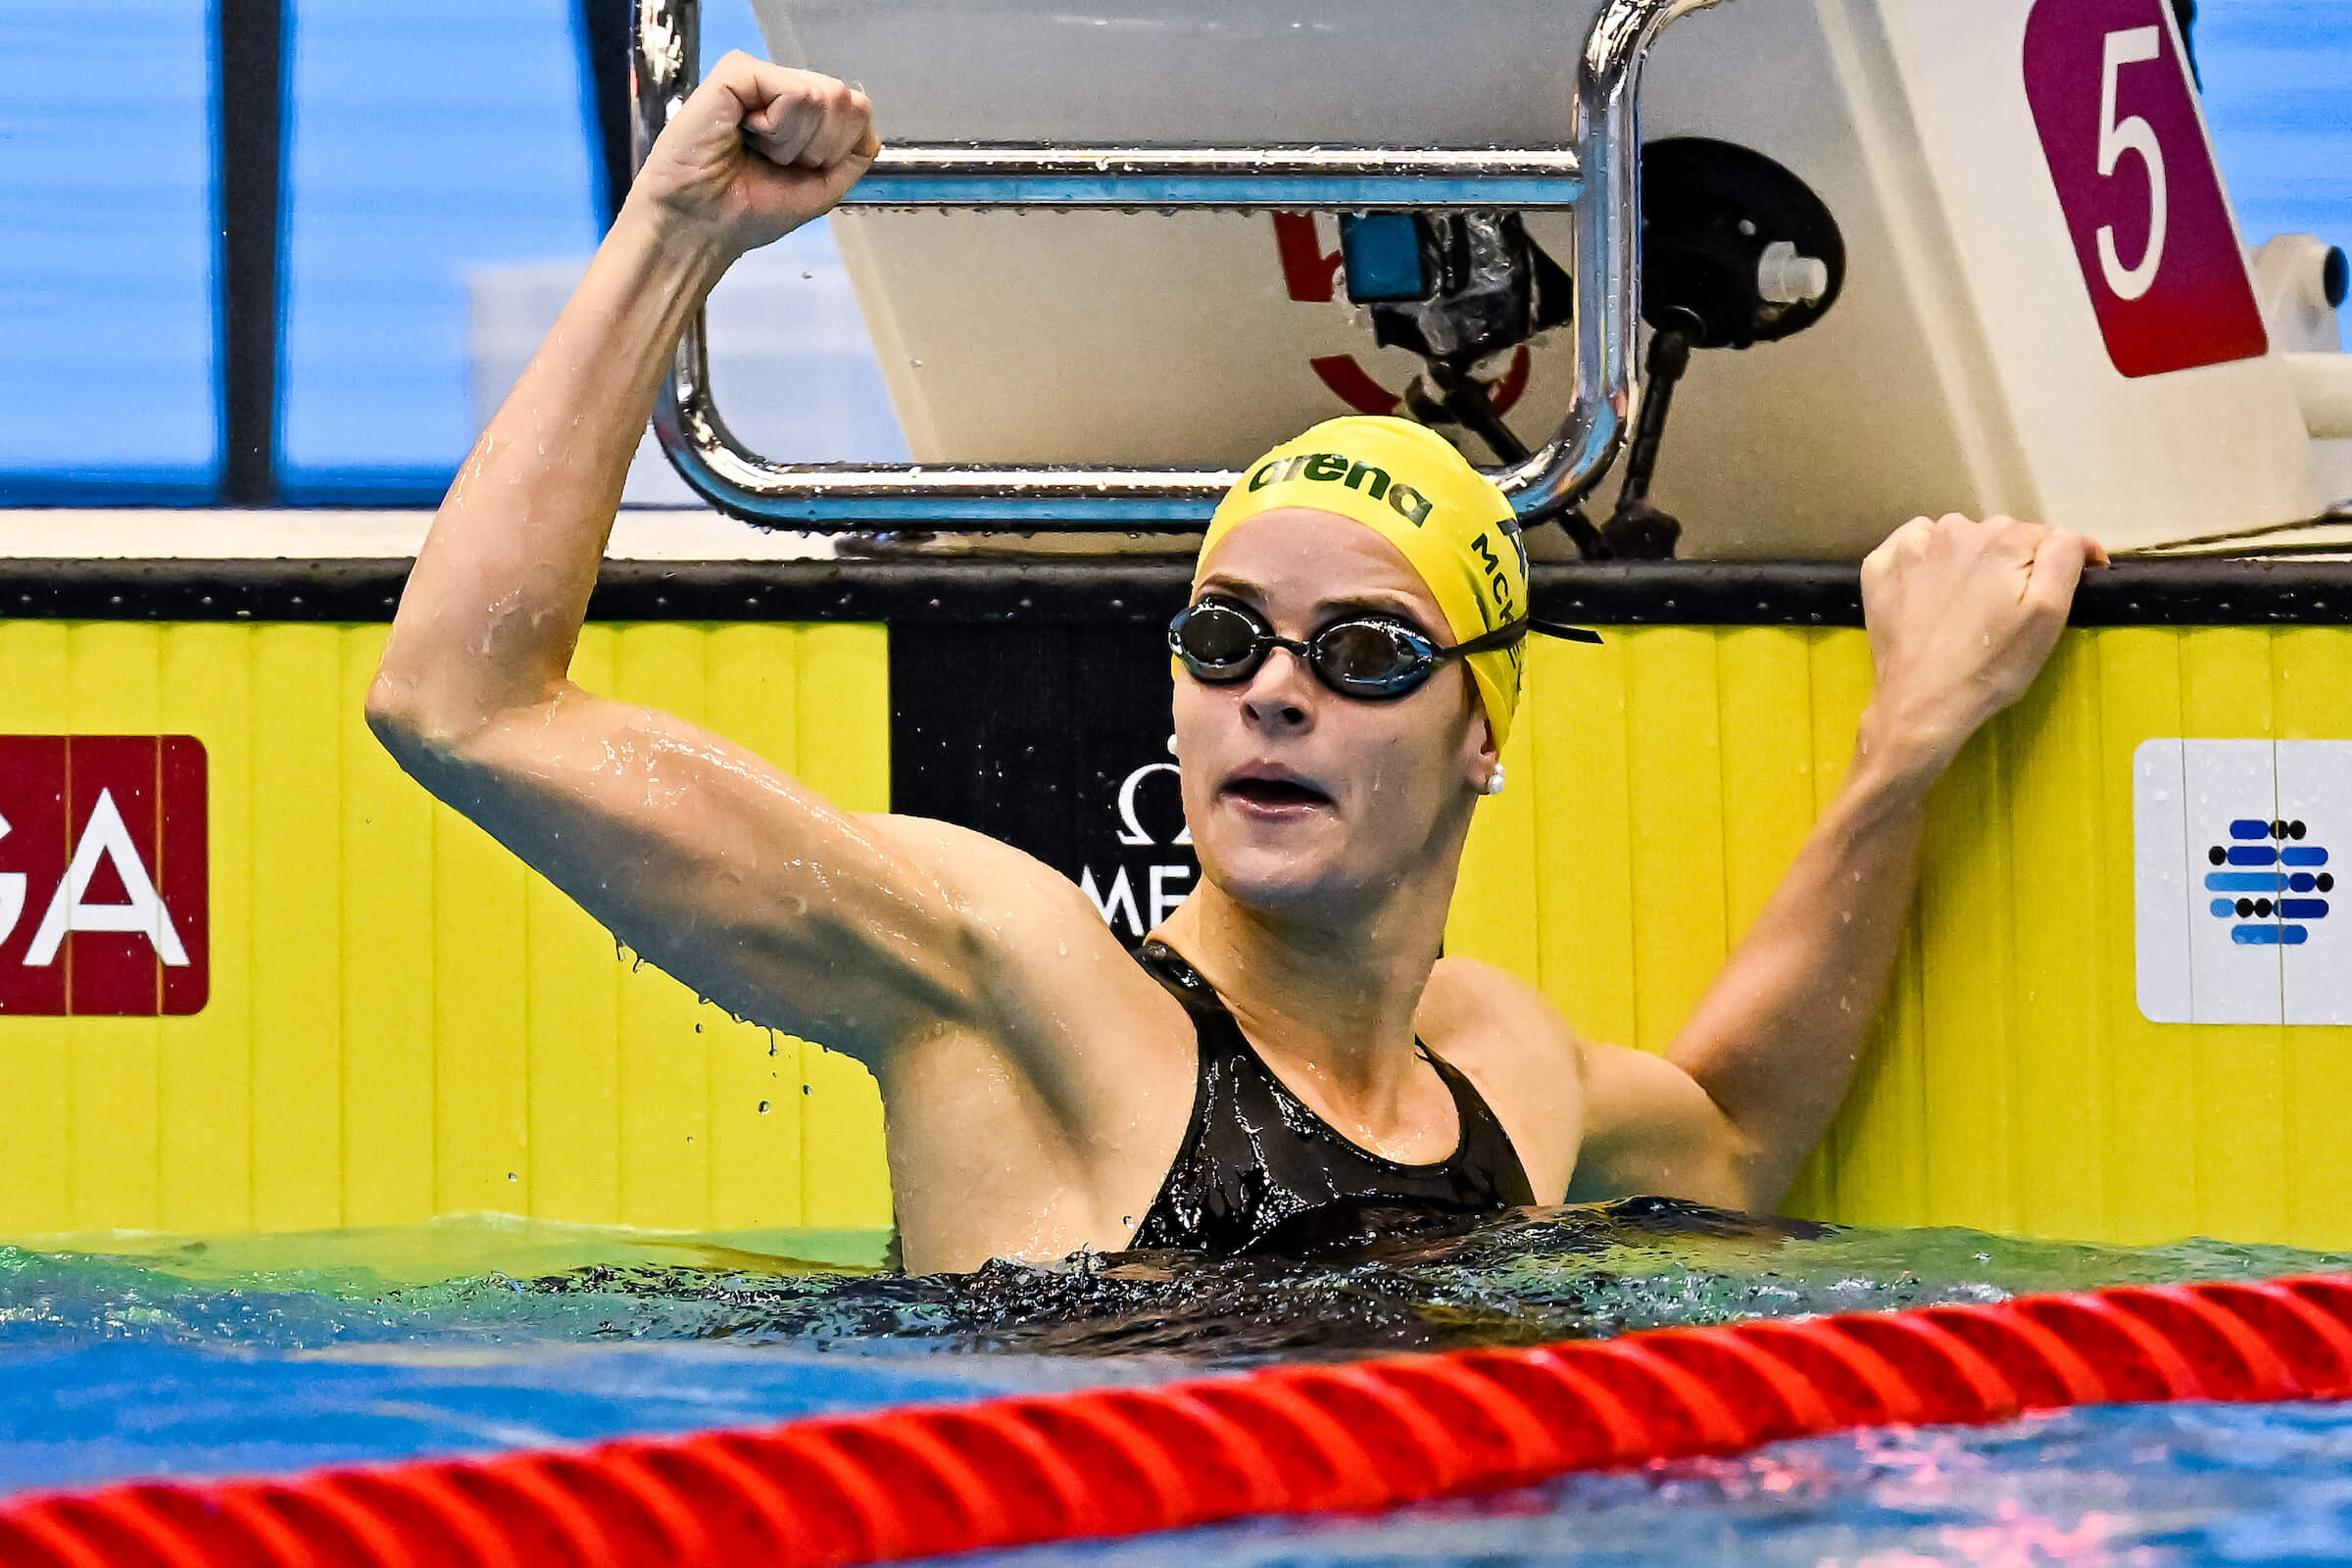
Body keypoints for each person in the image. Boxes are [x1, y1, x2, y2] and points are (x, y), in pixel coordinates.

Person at [368, 54, 2107, 1274]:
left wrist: (1913, 742)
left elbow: (1732, 1137)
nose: (1272, 690)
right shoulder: (1022, 992)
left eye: (1362, 651)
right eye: (1224, 640)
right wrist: (674, 238)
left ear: (1481, 727)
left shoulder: (1505, 1071)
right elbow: (463, 705)